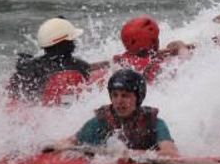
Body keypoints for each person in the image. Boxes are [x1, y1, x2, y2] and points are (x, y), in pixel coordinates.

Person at [53, 68, 181, 158]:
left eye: (125, 96)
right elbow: (70, 142)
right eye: (115, 95)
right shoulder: (101, 121)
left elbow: (170, 154)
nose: (119, 101)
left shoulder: (153, 122)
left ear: (139, 97)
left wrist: (130, 154)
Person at [8, 17, 92, 101]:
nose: (74, 43)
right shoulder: (81, 66)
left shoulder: (31, 69)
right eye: (72, 40)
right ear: (67, 43)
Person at [113, 16, 193, 81]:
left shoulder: (122, 60)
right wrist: (180, 44)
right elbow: (185, 58)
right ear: (153, 41)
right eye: (156, 38)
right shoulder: (158, 62)